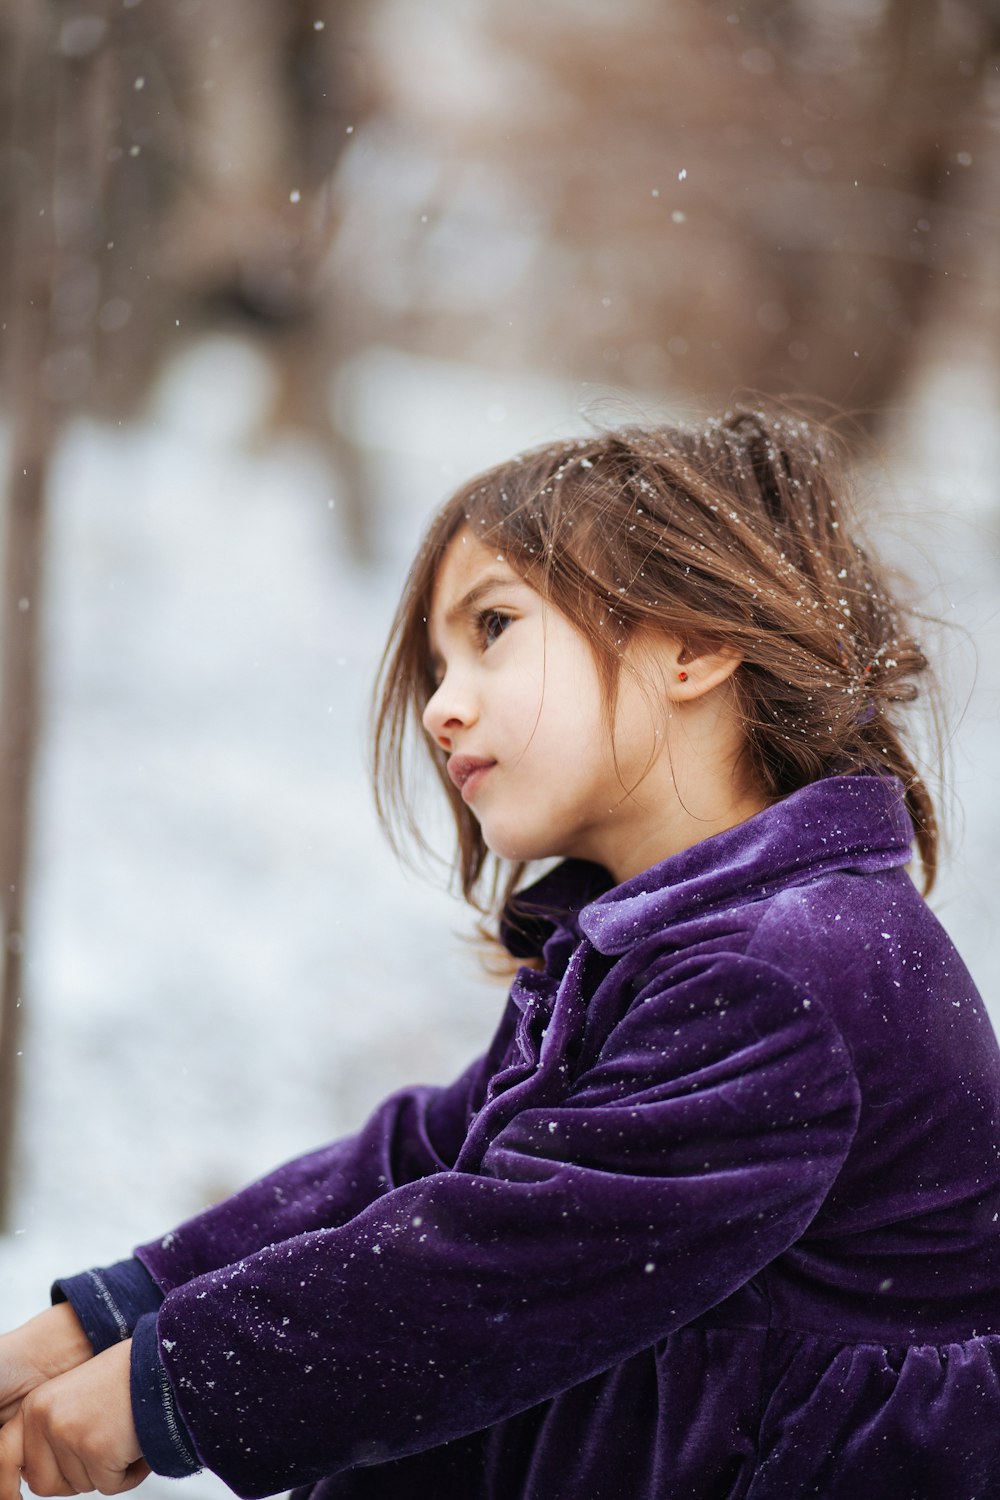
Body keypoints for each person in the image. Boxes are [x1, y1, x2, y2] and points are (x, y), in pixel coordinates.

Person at [1, 406, 999, 1500]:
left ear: (698, 642)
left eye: (491, 629)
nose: (439, 707)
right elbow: (426, 1162)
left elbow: (499, 1267)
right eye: (434, 664)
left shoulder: (793, 969)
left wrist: (168, 1385)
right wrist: (117, 1311)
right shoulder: (668, 944)